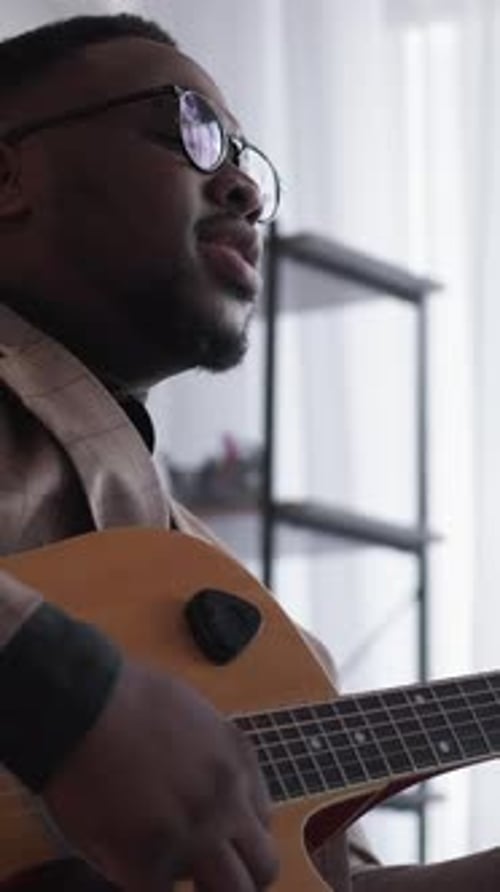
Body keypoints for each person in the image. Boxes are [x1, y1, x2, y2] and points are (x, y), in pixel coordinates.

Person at [0, 11, 499, 892]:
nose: (245, 191)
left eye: (246, 159)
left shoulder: (245, 621)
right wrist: (65, 696)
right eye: (189, 128)